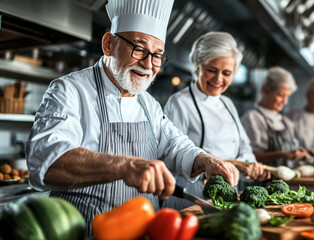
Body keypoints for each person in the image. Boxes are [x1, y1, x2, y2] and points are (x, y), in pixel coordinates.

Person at [26, 0, 239, 236]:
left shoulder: (147, 103)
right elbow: (45, 161)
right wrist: (125, 166)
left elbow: (175, 145)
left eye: (157, 55)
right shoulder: (70, 90)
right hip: (86, 233)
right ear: (108, 44)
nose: (148, 65)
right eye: (139, 49)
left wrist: (206, 160)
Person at [162, 32, 270, 210]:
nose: (218, 79)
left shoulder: (227, 103)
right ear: (198, 65)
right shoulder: (179, 102)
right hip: (191, 196)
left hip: (229, 193)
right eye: (212, 70)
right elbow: (172, 155)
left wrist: (248, 166)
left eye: (226, 73)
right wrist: (229, 165)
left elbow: (244, 146)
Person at [241, 67, 310, 167]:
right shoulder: (252, 118)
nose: (285, 101)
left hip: (286, 180)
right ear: (265, 91)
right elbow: (250, 156)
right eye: (281, 95)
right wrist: (282, 154)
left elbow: (293, 150)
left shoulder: (285, 121)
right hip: (262, 181)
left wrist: (302, 153)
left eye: (287, 96)